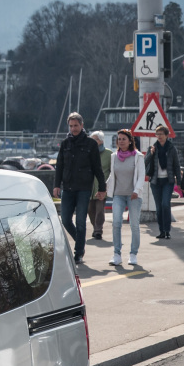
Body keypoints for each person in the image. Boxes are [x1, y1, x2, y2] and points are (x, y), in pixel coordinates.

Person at [52, 113, 107, 264]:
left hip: (84, 188)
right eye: (71, 126)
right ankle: (80, 242)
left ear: (82, 126)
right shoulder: (65, 144)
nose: (73, 128)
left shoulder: (90, 144)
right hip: (67, 188)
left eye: (76, 125)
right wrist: (57, 185)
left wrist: (102, 188)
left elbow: (97, 168)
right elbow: (60, 166)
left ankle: (78, 253)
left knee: (81, 221)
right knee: (65, 220)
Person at [107, 129, 144, 267]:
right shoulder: (114, 156)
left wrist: (136, 190)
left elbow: (141, 176)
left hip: (134, 195)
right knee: (116, 223)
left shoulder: (138, 156)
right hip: (118, 194)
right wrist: (105, 187)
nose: (121, 141)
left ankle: (133, 254)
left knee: (134, 225)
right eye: (119, 139)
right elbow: (113, 175)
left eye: (123, 139)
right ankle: (117, 254)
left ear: (130, 141)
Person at [146, 124, 180, 240]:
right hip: (155, 181)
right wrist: (151, 153)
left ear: (166, 135)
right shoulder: (153, 147)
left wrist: (179, 182)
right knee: (159, 207)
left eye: (161, 134)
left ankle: (167, 230)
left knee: (165, 204)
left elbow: (176, 165)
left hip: (167, 181)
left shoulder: (171, 148)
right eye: (157, 134)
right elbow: (145, 163)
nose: (159, 136)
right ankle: (161, 231)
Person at [87, 130, 112, 241]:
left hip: (101, 186)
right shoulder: (88, 152)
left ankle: (98, 230)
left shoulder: (108, 154)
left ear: (101, 141)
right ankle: (95, 227)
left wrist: (108, 185)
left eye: (95, 139)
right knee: (90, 209)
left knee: (100, 209)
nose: (92, 141)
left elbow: (112, 171)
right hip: (89, 186)